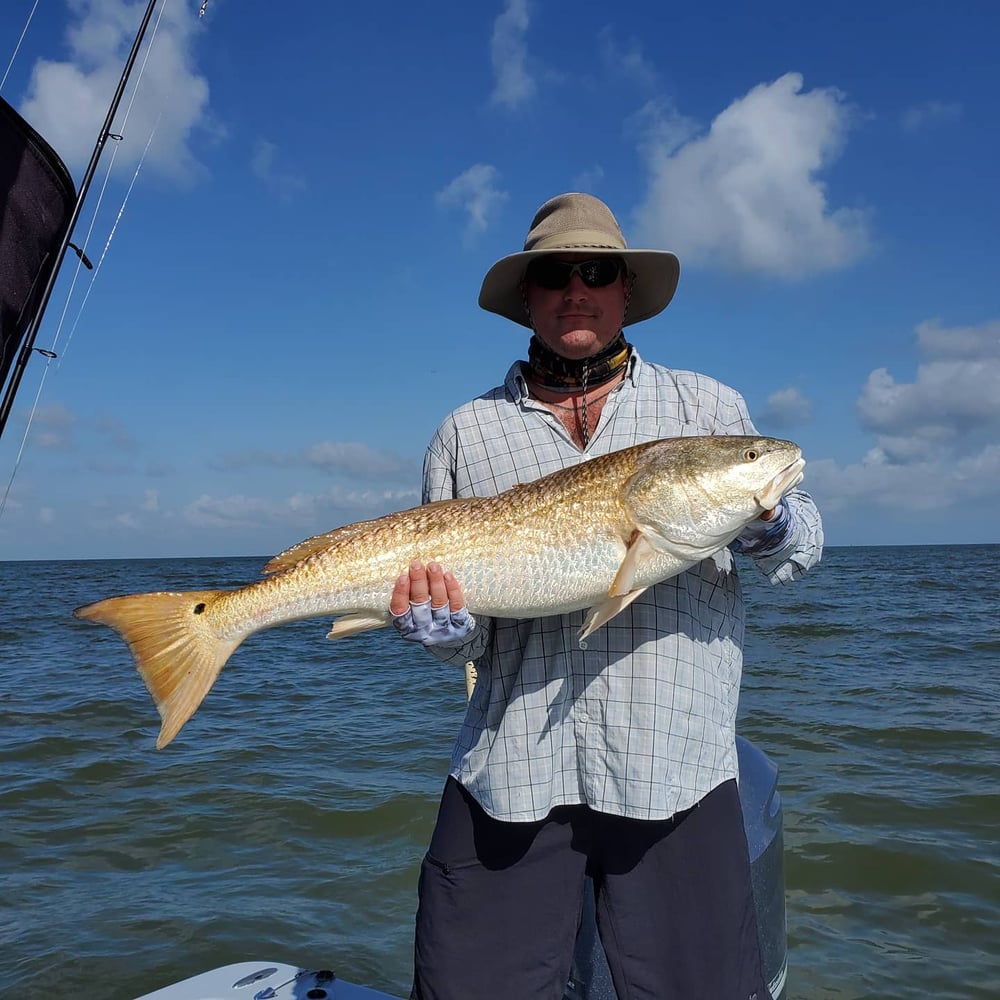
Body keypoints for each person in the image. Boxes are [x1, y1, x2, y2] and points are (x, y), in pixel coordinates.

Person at [389, 192, 824, 1000]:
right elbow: (469, 641)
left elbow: (802, 549)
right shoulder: (464, 433)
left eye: (597, 272)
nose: (576, 289)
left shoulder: (707, 409)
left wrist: (765, 524)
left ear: (627, 291)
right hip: (510, 772)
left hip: (676, 769)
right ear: (528, 295)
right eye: (556, 274)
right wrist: (440, 628)